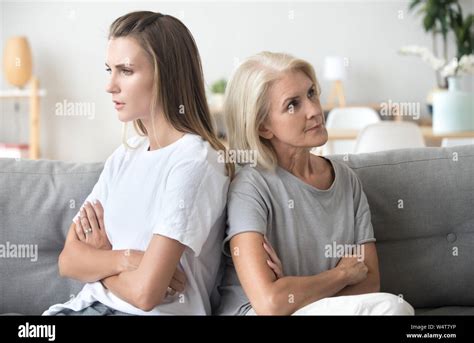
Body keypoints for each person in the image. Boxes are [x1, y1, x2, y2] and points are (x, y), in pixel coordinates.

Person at [43, 11, 232, 316]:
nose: (110, 85)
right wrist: (126, 260)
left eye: (126, 71)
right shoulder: (124, 157)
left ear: (166, 75)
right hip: (84, 308)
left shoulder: (194, 162)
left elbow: (146, 294)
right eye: (109, 70)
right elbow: (68, 260)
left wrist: (101, 261)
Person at [215, 51, 414, 315]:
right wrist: (342, 274)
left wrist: (292, 287)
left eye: (311, 93)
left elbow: (369, 282)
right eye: (292, 105)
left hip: (310, 310)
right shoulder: (249, 188)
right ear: (264, 127)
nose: (314, 111)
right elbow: (270, 303)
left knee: (393, 307)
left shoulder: (346, 181)